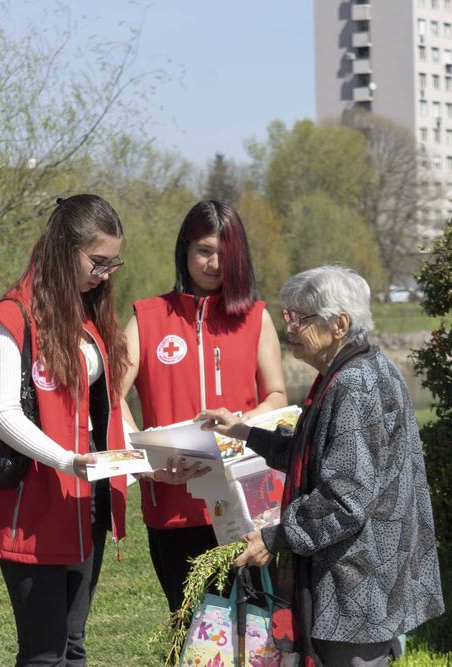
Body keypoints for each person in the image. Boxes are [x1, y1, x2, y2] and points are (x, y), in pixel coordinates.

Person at [198, 265, 445, 667]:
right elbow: (315, 453)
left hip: (358, 584)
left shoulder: (354, 384)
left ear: (339, 325)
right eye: (288, 315)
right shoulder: (360, 367)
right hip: (366, 578)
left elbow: (344, 499)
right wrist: (243, 431)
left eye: (301, 317)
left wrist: (276, 537)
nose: (290, 327)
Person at [0, 195, 130, 666]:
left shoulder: (88, 313)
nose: (105, 274)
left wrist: (140, 460)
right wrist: (65, 460)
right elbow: (0, 412)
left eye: (112, 263)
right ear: (63, 249)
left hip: (84, 497)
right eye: (97, 261)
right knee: (44, 652)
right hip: (35, 501)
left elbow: (105, 406)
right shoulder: (11, 316)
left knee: (72, 645)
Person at [120, 200, 287, 613]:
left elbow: (276, 396)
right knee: (189, 626)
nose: (214, 263)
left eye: (225, 253)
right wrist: (144, 462)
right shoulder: (147, 317)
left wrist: (241, 424)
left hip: (245, 505)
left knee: (254, 627)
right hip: (171, 502)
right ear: (185, 250)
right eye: (204, 251)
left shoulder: (256, 318)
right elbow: (110, 396)